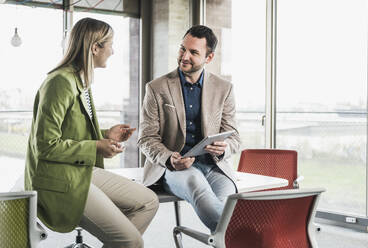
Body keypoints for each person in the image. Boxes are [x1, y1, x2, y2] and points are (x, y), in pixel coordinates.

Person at [25, 18, 158, 248]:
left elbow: (70, 131)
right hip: (58, 179)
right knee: (131, 241)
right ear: (95, 47)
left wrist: (106, 135)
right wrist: (97, 146)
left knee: (148, 201)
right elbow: (46, 144)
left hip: (77, 170)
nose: (113, 51)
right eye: (110, 44)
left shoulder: (79, 80)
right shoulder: (60, 82)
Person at [138, 25, 240, 232]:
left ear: (208, 58)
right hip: (175, 168)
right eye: (182, 49)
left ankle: (231, 239)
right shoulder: (156, 88)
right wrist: (169, 158)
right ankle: (243, 238)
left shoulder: (224, 88)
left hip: (214, 166)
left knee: (228, 206)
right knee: (197, 186)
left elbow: (235, 137)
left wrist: (225, 147)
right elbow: (146, 138)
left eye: (193, 52)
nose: (184, 56)